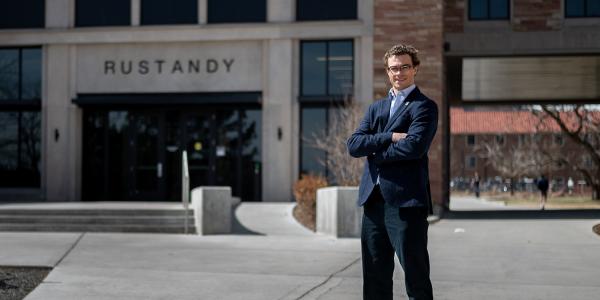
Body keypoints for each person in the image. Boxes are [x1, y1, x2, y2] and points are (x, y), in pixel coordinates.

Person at [347, 44, 438, 300]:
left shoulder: (424, 107)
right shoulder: (376, 108)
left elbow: (414, 147)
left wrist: (375, 152)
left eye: (405, 67)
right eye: (394, 68)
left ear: (415, 69)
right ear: (387, 72)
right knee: (375, 278)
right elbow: (353, 145)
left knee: (415, 277)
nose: (399, 73)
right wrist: (390, 136)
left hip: (406, 203)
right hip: (373, 203)